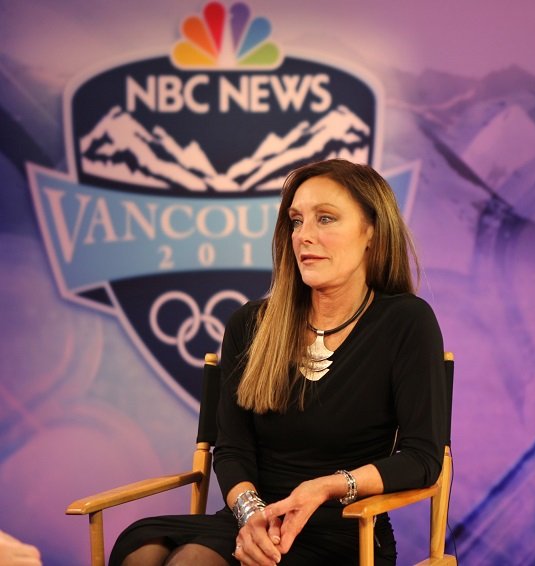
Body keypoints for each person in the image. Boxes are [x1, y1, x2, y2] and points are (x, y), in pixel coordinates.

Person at [110, 159, 446, 566]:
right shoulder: (249, 325)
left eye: (325, 219)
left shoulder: (406, 321)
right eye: (296, 221)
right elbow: (232, 449)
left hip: (344, 531)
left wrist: (324, 488)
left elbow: (421, 460)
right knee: (143, 553)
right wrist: (251, 515)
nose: (305, 236)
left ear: (371, 232)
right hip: (251, 519)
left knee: (191, 562)